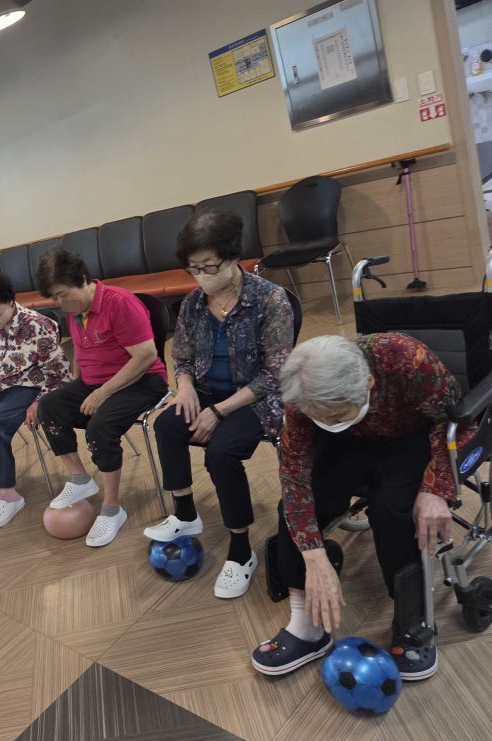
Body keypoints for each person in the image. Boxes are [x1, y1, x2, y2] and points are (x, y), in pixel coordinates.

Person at [251, 333, 466, 681]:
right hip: (345, 444)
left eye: (335, 414)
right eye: (319, 417)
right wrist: (313, 556)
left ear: (367, 383)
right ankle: (307, 626)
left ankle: (412, 620)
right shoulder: (304, 389)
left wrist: (436, 488)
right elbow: (293, 475)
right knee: (296, 505)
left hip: (408, 439)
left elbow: (455, 420)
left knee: (393, 510)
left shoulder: (405, 358)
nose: (327, 419)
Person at [143, 209, 294, 598]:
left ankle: (241, 551)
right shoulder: (193, 303)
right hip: (207, 391)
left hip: (257, 400)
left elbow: (274, 374)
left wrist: (219, 411)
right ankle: (185, 514)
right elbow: (183, 356)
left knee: (221, 453)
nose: (201, 275)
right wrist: (185, 388)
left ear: (232, 258)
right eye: (194, 268)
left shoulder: (269, 299)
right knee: (167, 425)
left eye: (209, 266)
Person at [34, 248, 167, 547]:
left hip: (142, 381)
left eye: (62, 295)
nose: (59, 303)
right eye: (53, 298)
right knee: (49, 406)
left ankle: (112, 508)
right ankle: (80, 478)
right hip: (96, 382)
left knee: (100, 427)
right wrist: (75, 386)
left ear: (82, 279)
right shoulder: (74, 310)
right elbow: (81, 350)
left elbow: (146, 355)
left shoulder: (119, 303)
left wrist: (103, 392)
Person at [0, 274, 70, 529]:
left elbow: (60, 372)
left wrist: (39, 401)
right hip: (1, 385)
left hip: (29, 387)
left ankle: (9, 497)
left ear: (9, 300)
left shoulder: (37, 325)